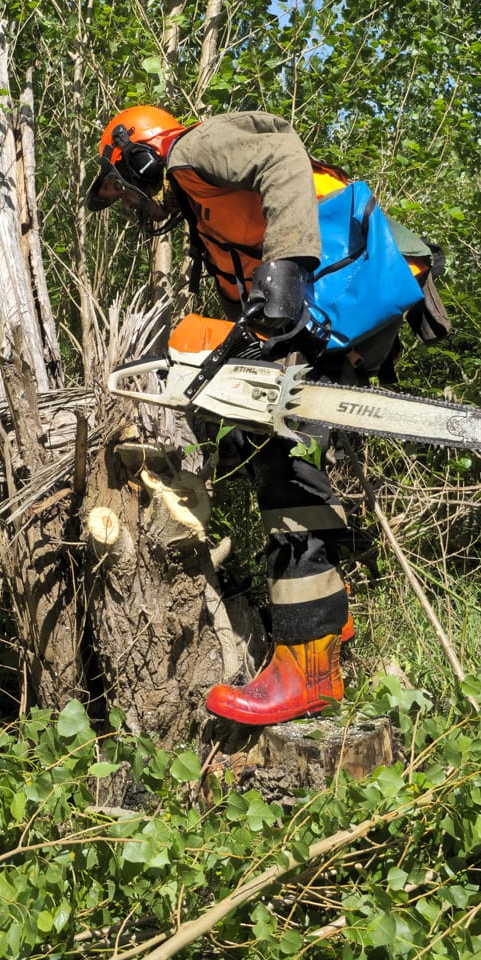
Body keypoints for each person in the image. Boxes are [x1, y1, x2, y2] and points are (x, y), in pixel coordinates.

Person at [86, 105, 387, 725]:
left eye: (130, 189)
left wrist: (285, 267)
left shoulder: (194, 153)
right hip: (328, 320)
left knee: (285, 464)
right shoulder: (201, 203)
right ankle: (329, 616)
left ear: (145, 157)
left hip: (330, 300)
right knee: (264, 447)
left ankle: (309, 662)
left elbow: (283, 154)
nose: (136, 207)